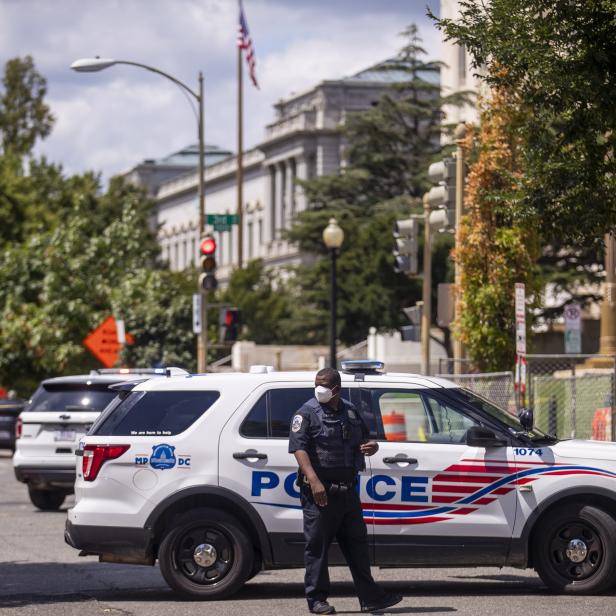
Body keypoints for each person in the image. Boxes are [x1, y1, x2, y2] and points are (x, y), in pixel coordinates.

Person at [288, 367, 403, 615]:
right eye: (316, 383)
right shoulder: (306, 413)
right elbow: (299, 448)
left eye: (324, 385)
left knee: (357, 546)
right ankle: (317, 600)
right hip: (320, 493)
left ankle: (371, 598)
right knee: (317, 547)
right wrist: (314, 480)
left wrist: (372, 446)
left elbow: (365, 439)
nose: (319, 388)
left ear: (336, 389)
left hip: (348, 492)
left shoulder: (349, 410)